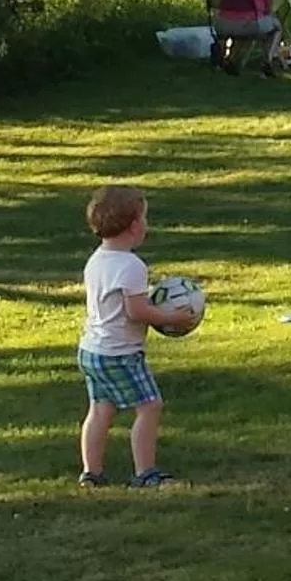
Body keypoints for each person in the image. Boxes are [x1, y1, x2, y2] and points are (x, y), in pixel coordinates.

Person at [76, 184, 196, 488]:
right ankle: (146, 473)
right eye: (144, 218)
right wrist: (174, 318)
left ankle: (92, 473)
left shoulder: (97, 259)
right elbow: (137, 312)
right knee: (149, 406)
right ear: (133, 227)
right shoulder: (131, 266)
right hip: (121, 353)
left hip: (92, 349)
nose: (147, 225)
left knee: (101, 408)